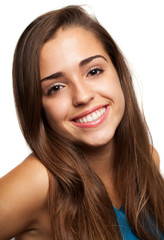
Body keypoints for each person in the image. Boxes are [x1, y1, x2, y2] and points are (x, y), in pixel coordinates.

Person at [0, 5, 163, 240]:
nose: (83, 96)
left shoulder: (146, 158)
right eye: (55, 88)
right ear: (37, 105)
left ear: (118, 71)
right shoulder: (39, 182)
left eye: (94, 71)